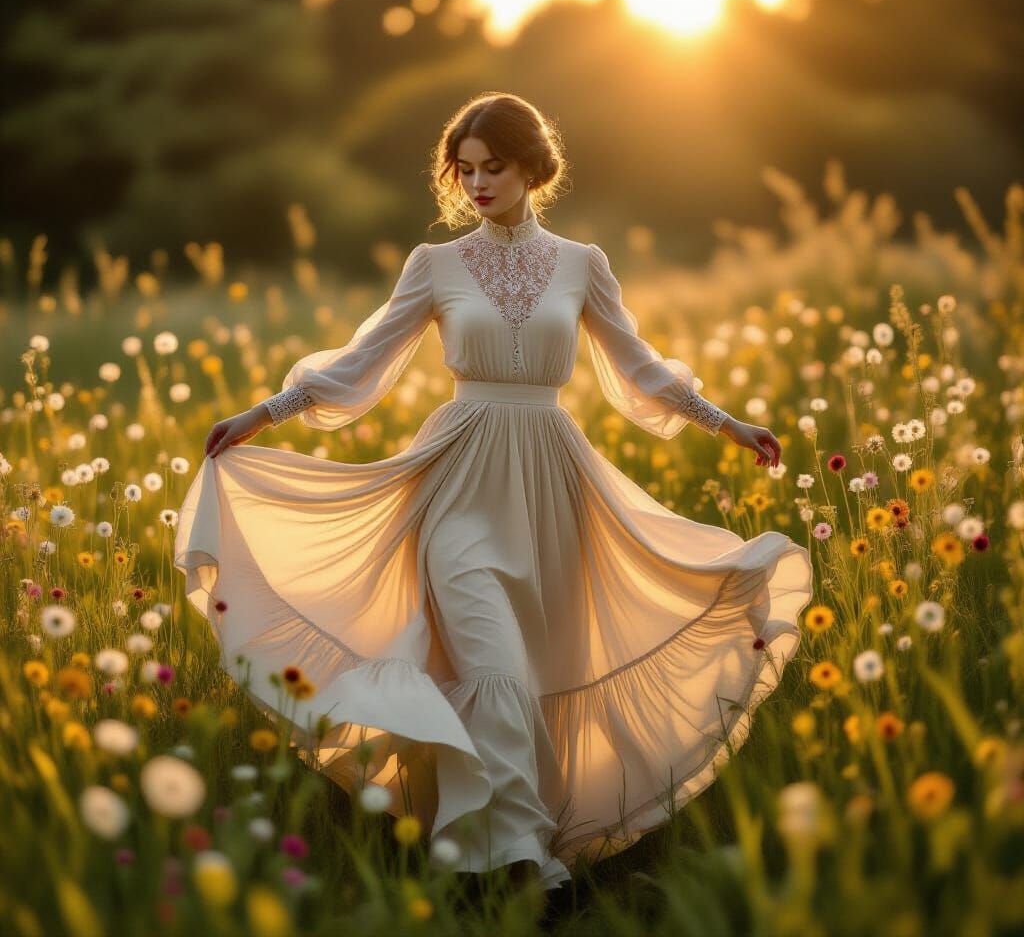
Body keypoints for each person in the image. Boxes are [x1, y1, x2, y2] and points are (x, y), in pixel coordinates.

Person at [174, 91, 813, 894]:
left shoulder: (582, 264)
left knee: (537, 675)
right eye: (465, 169)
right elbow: (362, 362)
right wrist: (264, 414)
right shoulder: (434, 265)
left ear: (533, 168)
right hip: (459, 480)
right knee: (494, 666)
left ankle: (514, 850)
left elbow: (639, 366)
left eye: (494, 168)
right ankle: (517, 864)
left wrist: (726, 424)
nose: (476, 184)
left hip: (553, 486)